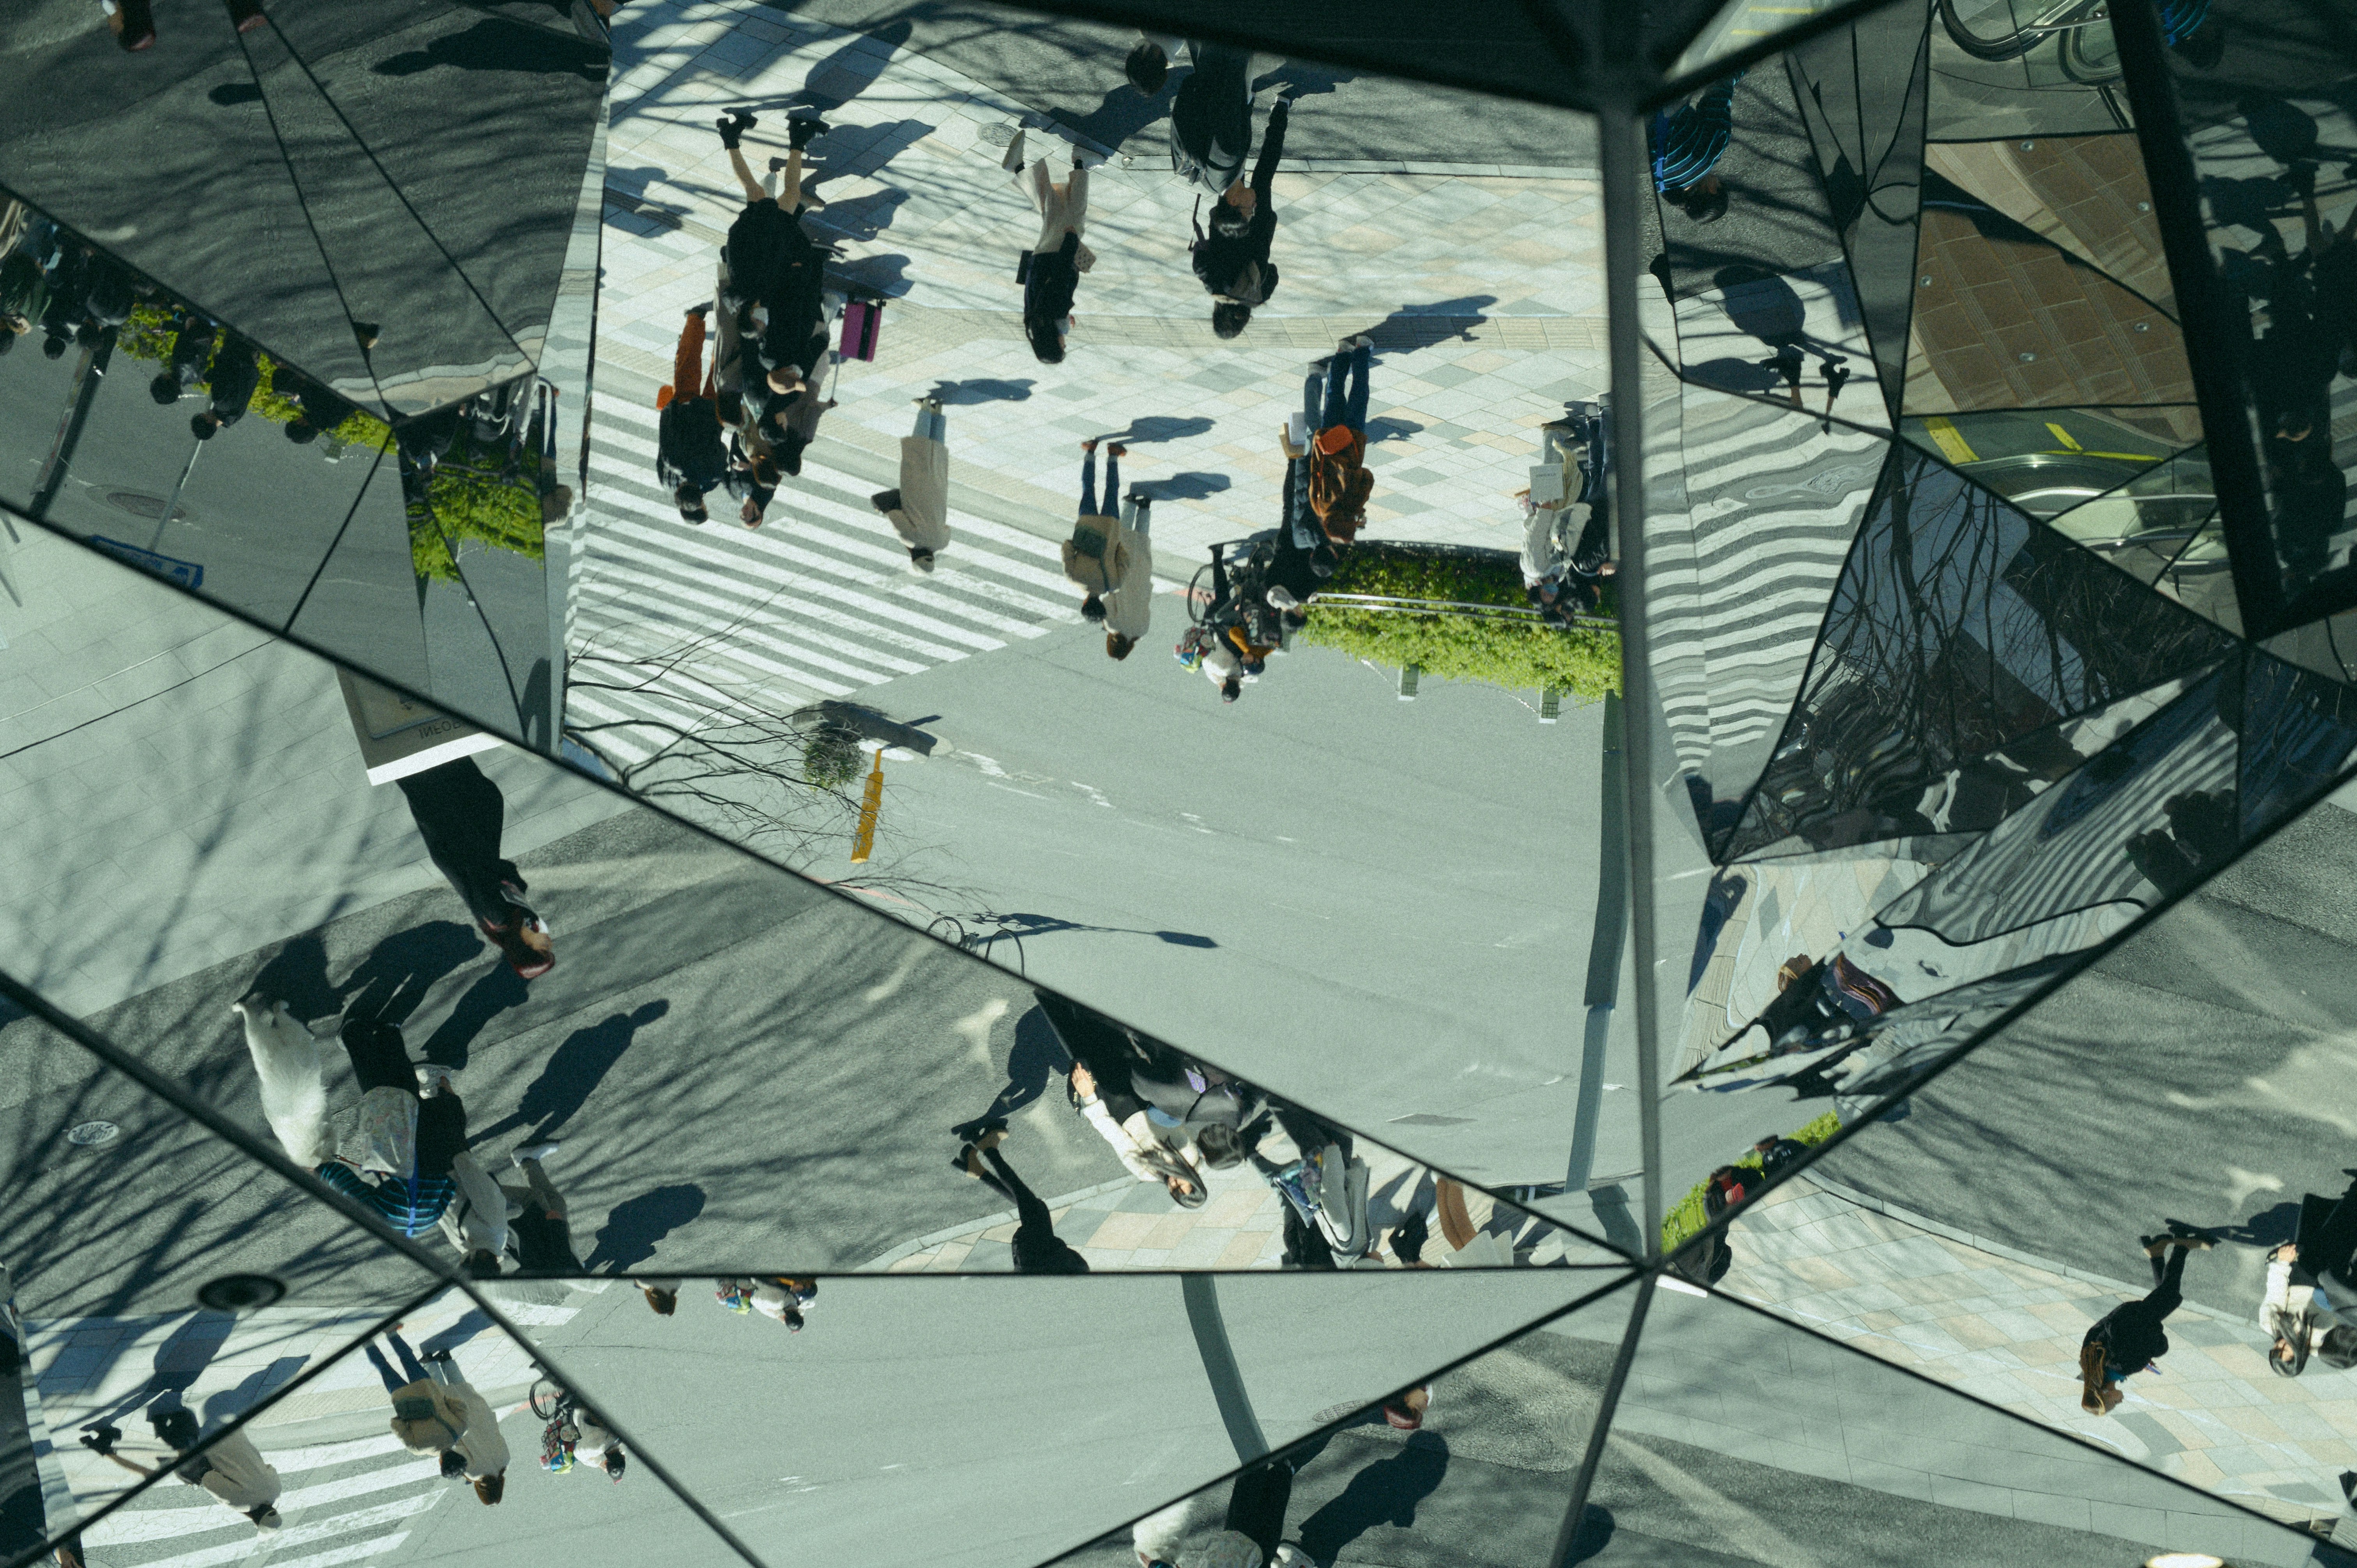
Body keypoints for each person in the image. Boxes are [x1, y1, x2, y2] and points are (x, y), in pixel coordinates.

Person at [312, 1016, 478, 1241]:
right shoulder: (381, 1218)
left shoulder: (428, 1221)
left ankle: (388, 1032)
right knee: (376, 1086)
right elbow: (343, 1182)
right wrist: (317, 1170)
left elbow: (449, 1186)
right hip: (394, 1142)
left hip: (431, 1144)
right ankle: (353, 1032)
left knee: (406, 1086)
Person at [393, 756, 554, 980]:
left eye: (544, 948)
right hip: (463, 825)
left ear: (524, 946)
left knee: (418, 767)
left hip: (453, 828)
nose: (549, 941)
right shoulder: (512, 920)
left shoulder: (498, 916)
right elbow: (504, 874)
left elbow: (481, 870)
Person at [2079, 1229, 2211, 1414]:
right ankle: (2156, 1253)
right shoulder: (2090, 1363)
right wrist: (2143, 1357)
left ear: (2106, 1392)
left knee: (2171, 1293)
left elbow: (2156, 1344)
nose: (2120, 1402)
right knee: (2167, 1294)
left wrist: (2151, 1352)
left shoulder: (2125, 1366)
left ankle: (2183, 1246)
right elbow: (2100, 1334)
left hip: (2142, 1319)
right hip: (2128, 1314)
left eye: (2114, 1403)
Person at [80, 1414, 282, 1533]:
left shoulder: (276, 1490)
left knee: (173, 1458)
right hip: (210, 1445)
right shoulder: (242, 1503)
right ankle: (105, 1449)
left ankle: (165, 1429)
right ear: (254, 1521)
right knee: (158, 1472)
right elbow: (209, 1480)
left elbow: (269, 1468)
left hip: (235, 1433)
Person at [1193, 94, 1292, 337]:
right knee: (1233, 169)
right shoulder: (1213, 286)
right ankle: (1243, 105)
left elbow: (1274, 270)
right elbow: (1201, 259)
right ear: (1216, 314)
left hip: (1259, 224)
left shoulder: (1258, 297)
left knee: (1265, 173)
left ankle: (1281, 110)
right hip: (1228, 220)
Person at [1068, 1063, 1209, 1209]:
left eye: (1174, 1189)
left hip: (1125, 1108)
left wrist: (1090, 1098)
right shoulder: (1196, 1155)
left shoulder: (1148, 1172)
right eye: (1181, 1183)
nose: (1173, 1182)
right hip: (1155, 1093)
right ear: (1194, 1179)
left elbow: (1118, 1139)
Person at [952, 1125, 1091, 1273]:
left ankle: (988, 1148)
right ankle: (977, 1170)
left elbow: (1075, 1261)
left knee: (1032, 1205)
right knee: (1034, 1207)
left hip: (1040, 1258)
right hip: (1030, 1259)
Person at [656, 306, 730, 524]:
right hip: (685, 406)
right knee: (688, 360)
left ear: (701, 501)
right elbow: (664, 435)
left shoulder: (714, 476)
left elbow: (722, 450)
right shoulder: (667, 477)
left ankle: (727, 327)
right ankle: (696, 319)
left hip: (712, 414)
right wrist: (672, 406)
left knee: (720, 371)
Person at [1018, 149, 1092, 364]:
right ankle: (1020, 172)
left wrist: (1070, 242)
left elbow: (1059, 278)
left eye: (1062, 347)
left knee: (1074, 211)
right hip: (1040, 261)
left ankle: (1081, 161)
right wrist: (1065, 319)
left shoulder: (1052, 314)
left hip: (1055, 256)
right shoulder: (1035, 323)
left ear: (1053, 342)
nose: (1065, 344)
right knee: (1053, 212)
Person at [1304, 338, 1374, 544]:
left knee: (1359, 395)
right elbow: (1314, 474)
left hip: (1352, 442)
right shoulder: (1319, 507)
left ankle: (1362, 351)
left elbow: (1368, 478)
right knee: (1334, 397)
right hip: (1328, 441)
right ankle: (1343, 353)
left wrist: (1359, 510)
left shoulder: (1352, 505)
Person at [870, 396, 951, 571]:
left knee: (936, 452)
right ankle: (925, 408)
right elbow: (894, 514)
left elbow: (947, 529)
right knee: (918, 448)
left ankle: (938, 412)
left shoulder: (942, 543)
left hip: (938, 489)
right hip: (916, 487)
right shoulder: (910, 539)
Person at [369, 1329, 470, 1468]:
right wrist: (405, 1414)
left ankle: (391, 1333)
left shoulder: (461, 1428)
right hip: (403, 1399)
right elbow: (396, 1425)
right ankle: (368, 1342)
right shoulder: (418, 1448)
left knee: (408, 1359)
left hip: (426, 1389)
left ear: (459, 1455)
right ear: (441, 1464)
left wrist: (442, 1399)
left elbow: (458, 1405)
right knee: (384, 1368)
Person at [1168, 41, 1255, 196]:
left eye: (1249, 210)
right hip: (1202, 80)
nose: (1254, 206)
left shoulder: (1229, 158)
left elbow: (1230, 98)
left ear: (1234, 202)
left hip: (1225, 63)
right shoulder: (1210, 185)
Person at [424, 1347, 508, 1504]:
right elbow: (458, 1451)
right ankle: (431, 1363)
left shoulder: (505, 1461)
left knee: (463, 1389)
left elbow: (499, 1437)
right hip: (464, 1426)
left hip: (483, 1417)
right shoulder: (474, 1474)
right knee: (444, 1396)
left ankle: (447, 1360)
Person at [1652, 74, 1738, 224]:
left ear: (1712, 189)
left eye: (1719, 183)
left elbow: (1721, 86)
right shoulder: (1656, 184)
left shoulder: (1712, 151)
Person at [1062, 440, 1131, 622]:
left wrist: (1115, 544)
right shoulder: (1073, 577)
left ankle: (1114, 455)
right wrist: (1078, 542)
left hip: (1110, 528)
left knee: (1112, 492)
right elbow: (1067, 548)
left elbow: (1124, 559)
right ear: (1084, 604)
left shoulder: (1114, 584)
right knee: (1088, 489)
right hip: (1087, 523)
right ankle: (1090, 452)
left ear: (1102, 604)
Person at [1103, 486, 1154, 659]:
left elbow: (1147, 611)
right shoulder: (1112, 625)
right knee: (1122, 538)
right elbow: (1109, 600)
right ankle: (1130, 503)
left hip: (1141, 580)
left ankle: (1145, 508)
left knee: (1141, 543)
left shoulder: (1142, 631)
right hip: (1122, 578)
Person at [190, 332, 259, 441]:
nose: (206, 412)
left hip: (252, 361)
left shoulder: (233, 419)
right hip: (238, 350)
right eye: (204, 416)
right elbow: (223, 371)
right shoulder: (220, 401)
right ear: (208, 421)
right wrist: (207, 377)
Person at [567, 1408, 626, 1481]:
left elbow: (622, 1449)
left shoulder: (621, 1438)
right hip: (580, 1412)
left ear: (623, 1457)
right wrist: (598, 1464)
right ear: (605, 1462)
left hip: (594, 1407)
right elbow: (577, 1454)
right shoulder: (597, 1448)